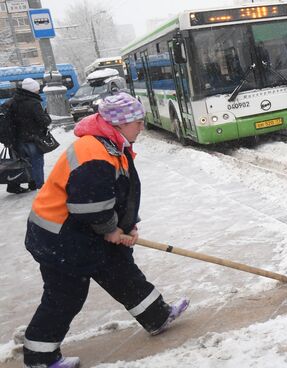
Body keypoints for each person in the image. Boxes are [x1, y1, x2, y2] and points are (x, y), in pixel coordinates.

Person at [22, 93, 189, 368]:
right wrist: (110, 230)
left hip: (84, 233)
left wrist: (127, 226)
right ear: (120, 124)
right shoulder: (93, 151)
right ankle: (40, 358)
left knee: (120, 270)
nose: (142, 127)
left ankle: (156, 316)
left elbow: (118, 194)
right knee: (65, 295)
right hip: (60, 238)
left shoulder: (112, 144)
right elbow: (89, 205)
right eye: (137, 121)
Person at [7, 77, 51, 194]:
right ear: (32, 90)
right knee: (36, 162)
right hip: (32, 138)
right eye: (36, 89)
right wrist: (47, 116)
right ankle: (39, 185)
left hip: (17, 138)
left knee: (22, 162)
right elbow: (43, 121)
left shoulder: (13, 101)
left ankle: (20, 184)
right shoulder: (34, 103)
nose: (38, 91)